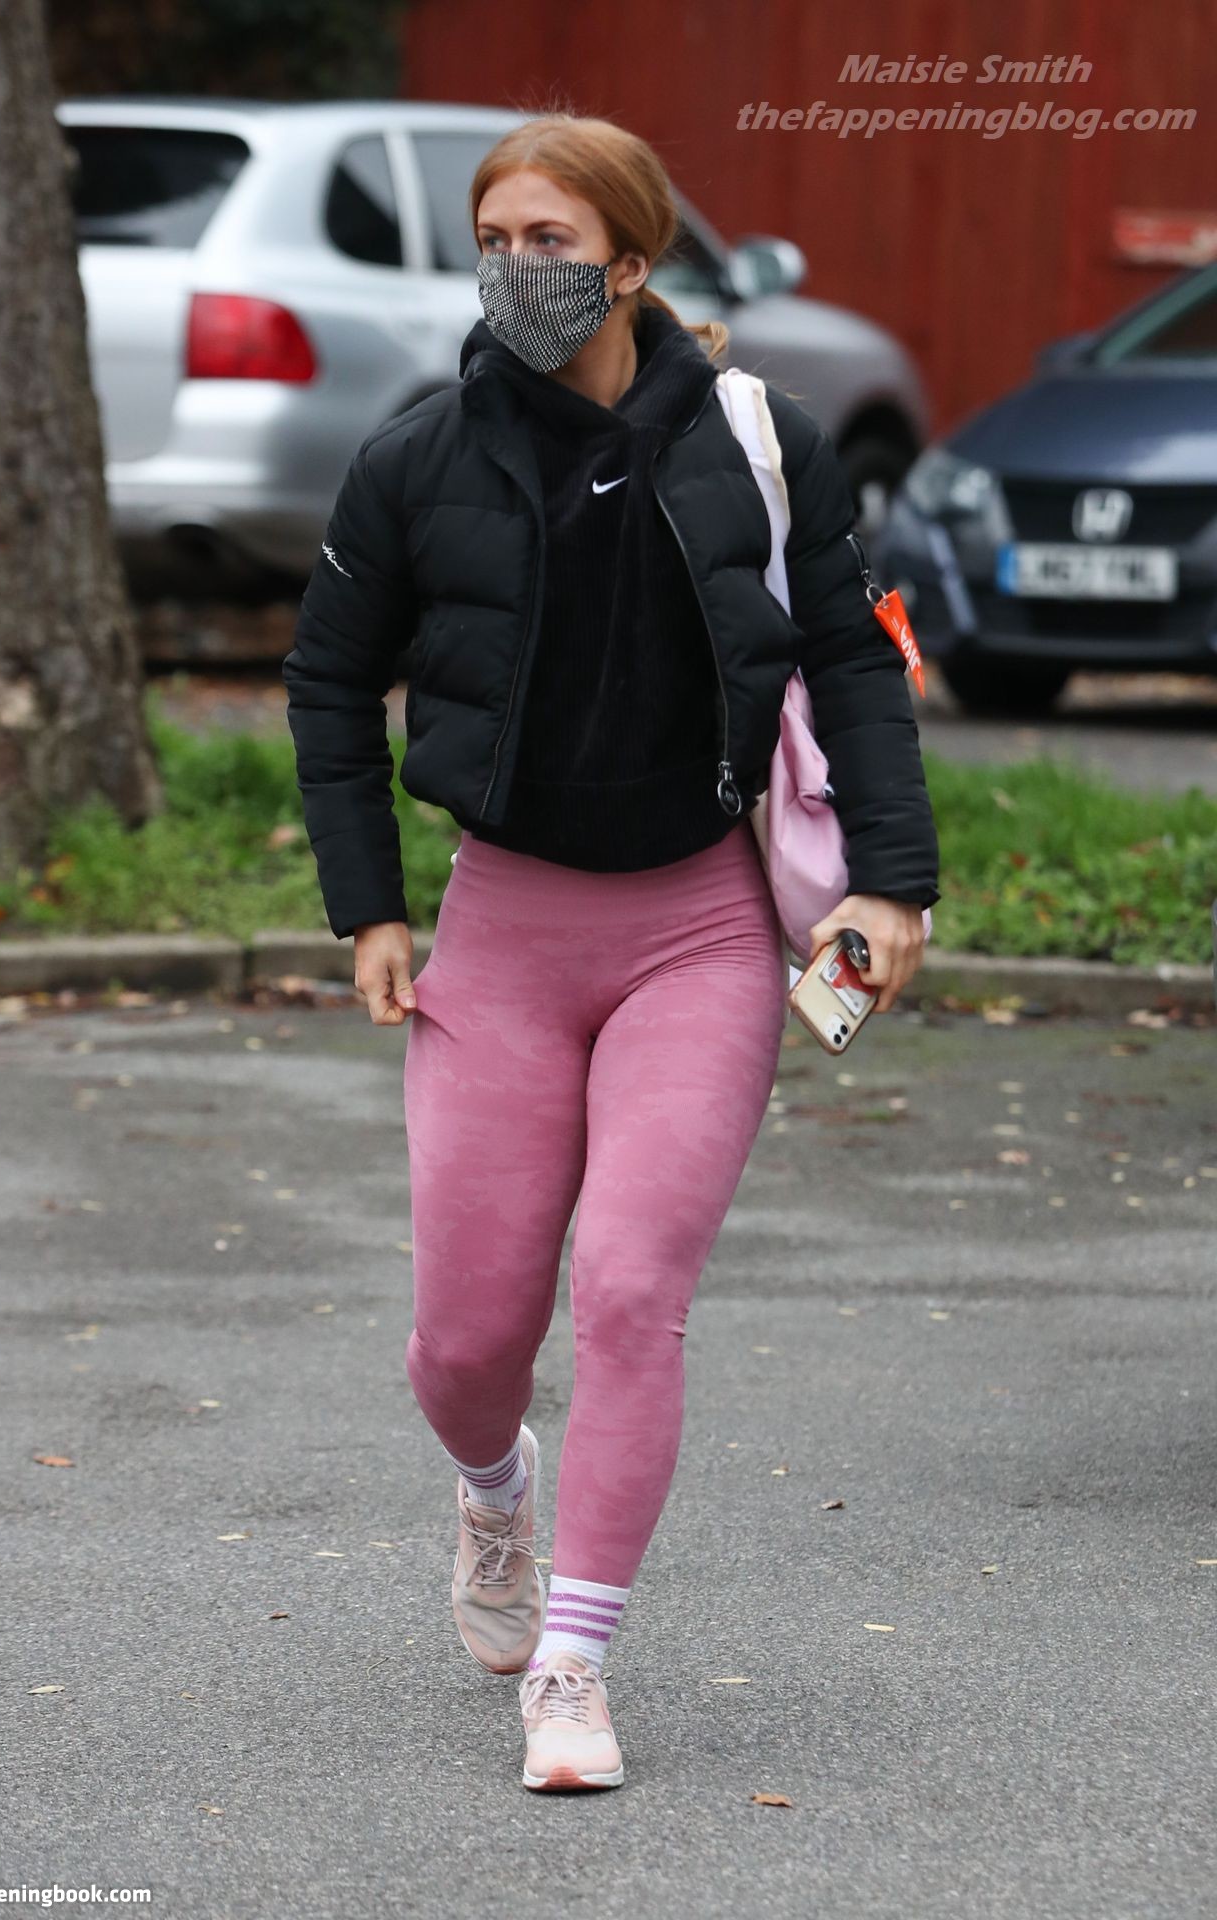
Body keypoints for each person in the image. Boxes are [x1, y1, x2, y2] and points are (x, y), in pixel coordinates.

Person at [282, 112, 940, 1794]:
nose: (518, 268)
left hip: (698, 928)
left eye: (554, 241)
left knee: (635, 1292)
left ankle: (572, 1666)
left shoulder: (762, 442)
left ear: (632, 263)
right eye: (496, 239)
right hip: (501, 931)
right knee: (465, 1345)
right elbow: (328, 680)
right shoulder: (417, 457)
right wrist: (369, 906)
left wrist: (892, 883)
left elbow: (852, 660)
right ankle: (495, 1494)